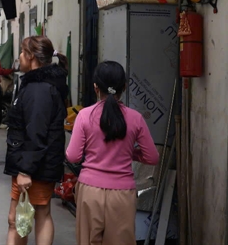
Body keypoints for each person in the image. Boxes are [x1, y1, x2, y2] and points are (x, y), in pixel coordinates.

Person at [66, 61, 159, 245]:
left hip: (90, 191)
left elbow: (73, 156)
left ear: (95, 87)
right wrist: (130, 153)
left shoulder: (84, 115)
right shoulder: (135, 118)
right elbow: (152, 157)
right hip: (122, 195)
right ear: (124, 87)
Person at [4, 36, 69, 245]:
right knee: (37, 213)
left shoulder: (38, 89)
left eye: (23, 52)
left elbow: (36, 133)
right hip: (38, 163)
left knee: (21, 218)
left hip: (34, 166)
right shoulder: (41, 85)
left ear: (31, 56)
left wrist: (25, 171)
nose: (19, 57)